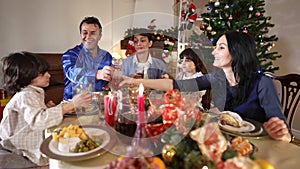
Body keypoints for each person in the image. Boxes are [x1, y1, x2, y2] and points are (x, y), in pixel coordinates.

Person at [120, 30, 292, 142]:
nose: (213, 52)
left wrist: (281, 133)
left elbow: (285, 134)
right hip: (228, 142)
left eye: (220, 47)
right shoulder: (217, 78)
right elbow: (175, 84)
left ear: (237, 52)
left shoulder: (263, 83)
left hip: (259, 145)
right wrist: (134, 81)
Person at [0, 52, 92, 166]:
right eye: (42, 74)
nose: (49, 75)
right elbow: (39, 121)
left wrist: (45, 108)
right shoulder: (26, 95)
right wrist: (70, 105)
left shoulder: (31, 92)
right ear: (26, 76)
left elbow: (30, 115)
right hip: (17, 146)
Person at [62, 16, 113, 101]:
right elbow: (73, 74)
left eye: (93, 33)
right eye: (85, 33)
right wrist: (97, 74)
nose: (88, 36)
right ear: (80, 34)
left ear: (100, 36)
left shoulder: (107, 56)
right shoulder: (70, 55)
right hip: (73, 107)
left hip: (100, 104)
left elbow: (111, 80)